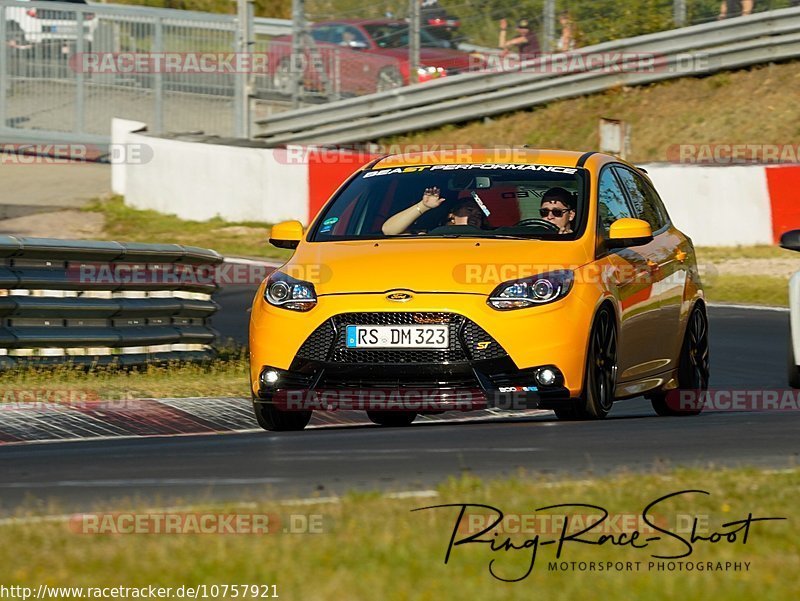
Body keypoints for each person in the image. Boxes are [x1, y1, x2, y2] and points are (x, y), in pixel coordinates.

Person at [381, 188, 489, 235]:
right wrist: (423, 206)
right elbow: (389, 230)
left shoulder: (490, 239)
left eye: (479, 215)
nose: (475, 216)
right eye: (469, 210)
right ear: (452, 214)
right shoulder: (428, 236)